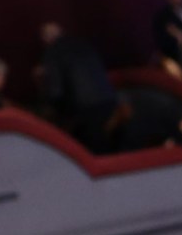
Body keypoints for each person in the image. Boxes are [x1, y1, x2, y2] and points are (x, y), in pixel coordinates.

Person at [37, 21, 122, 152]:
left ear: (45, 39)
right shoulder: (84, 44)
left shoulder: (52, 52)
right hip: (110, 102)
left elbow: (56, 92)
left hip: (84, 111)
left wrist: (42, 87)